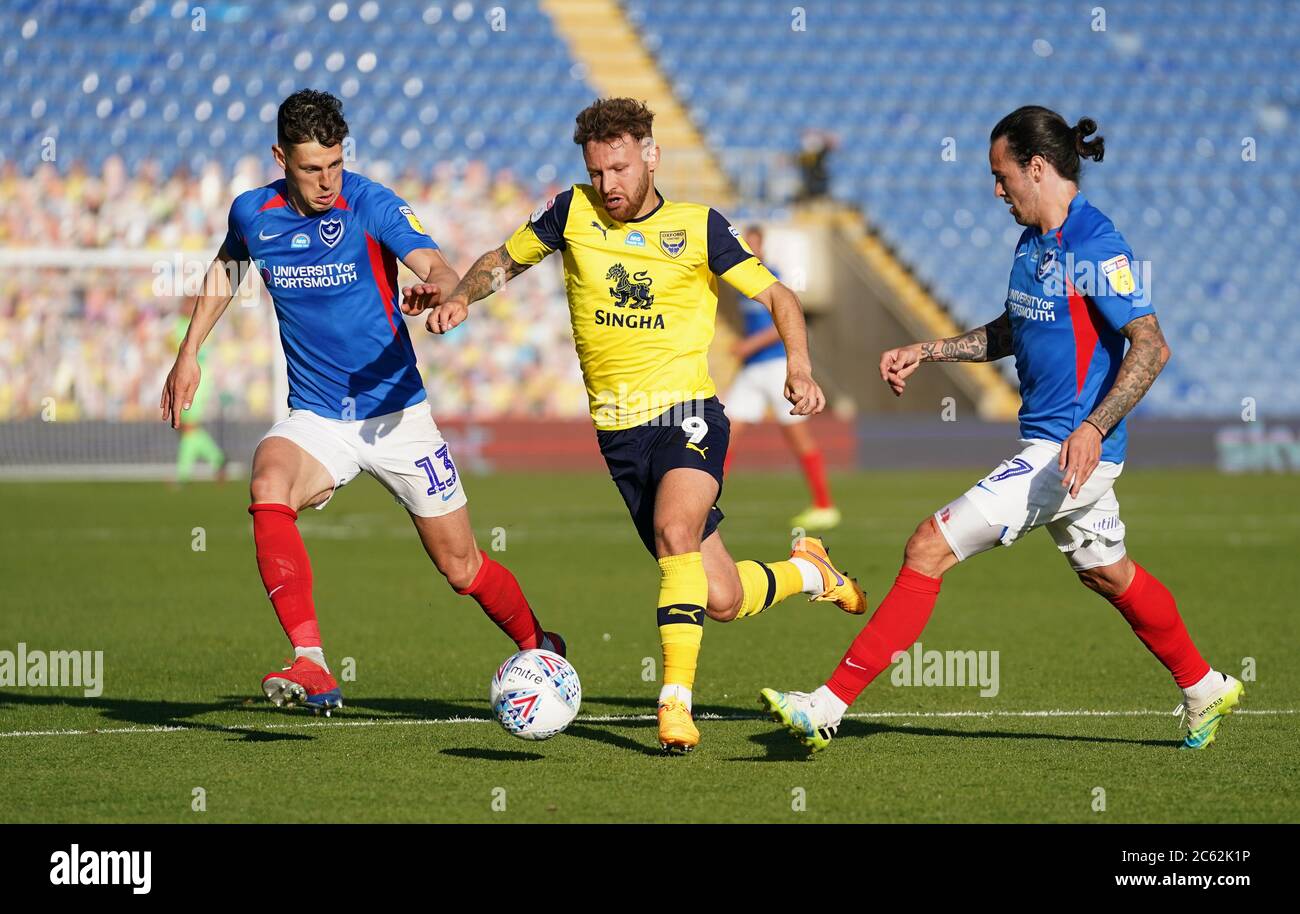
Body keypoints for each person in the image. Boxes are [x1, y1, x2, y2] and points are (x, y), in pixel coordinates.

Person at [760, 106, 1242, 752]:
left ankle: (825, 704)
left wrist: (1094, 428)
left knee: (926, 547)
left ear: (1036, 168)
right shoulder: (1034, 244)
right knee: (1107, 571)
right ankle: (1203, 684)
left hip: (1071, 452)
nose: (995, 190)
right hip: (1060, 447)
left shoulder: (1096, 244)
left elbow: (1151, 347)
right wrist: (928, 351)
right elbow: (1014, 330)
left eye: (1000, 174)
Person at [402, 98, 866, 753]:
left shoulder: (699, 228)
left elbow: (777, 296)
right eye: (597, 172)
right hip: (619, 439)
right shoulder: (572, 212)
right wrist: (458, 298)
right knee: (721, 596)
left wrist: (800, 366)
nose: (609, 185)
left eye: (619, 167)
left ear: (651, 155)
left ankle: (674, 704)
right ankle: (812, 572)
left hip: (687, 415)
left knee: (676, 528)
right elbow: (501, 262)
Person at [160, 90, 563, 714]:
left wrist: (444, 291)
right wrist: (190, 354)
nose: (326, 181)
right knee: (269, 482)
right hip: (318, 417)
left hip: (398, 416)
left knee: (462, 568)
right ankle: (313, 663)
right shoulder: (253, 213)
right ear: (279, 158)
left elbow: (434, 262)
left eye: (335, 164)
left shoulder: (371, 202)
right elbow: (225, 270)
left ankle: (542, 647)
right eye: (310, 168)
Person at [724, 225, 839, 530]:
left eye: (753, 243)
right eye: (744, 244)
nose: (749, 248)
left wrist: (750, 344)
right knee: (725, 433)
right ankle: (707, 501)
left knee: (797, 436)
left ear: (762, 247)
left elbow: (782, 324)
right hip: (753, 369)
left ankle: (825, 505)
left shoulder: (770, 277)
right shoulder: (741, 281)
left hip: (776, 367)